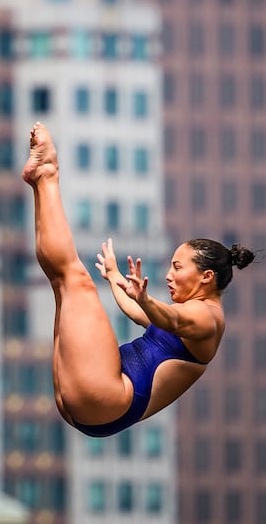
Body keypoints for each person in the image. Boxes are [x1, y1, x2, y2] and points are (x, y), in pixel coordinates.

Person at [21, 121, 253, 437]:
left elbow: (170, 318)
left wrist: (145, 298)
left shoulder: (208, 319)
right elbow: (139, 313)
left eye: (178, 268)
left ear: (206, 277)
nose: (169, 275)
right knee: (62, 281)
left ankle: (47, 174)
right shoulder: (189, 315)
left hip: (108, 396)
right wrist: (116, 277)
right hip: (96, 402)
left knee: (74, 279)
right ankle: (40, 182)